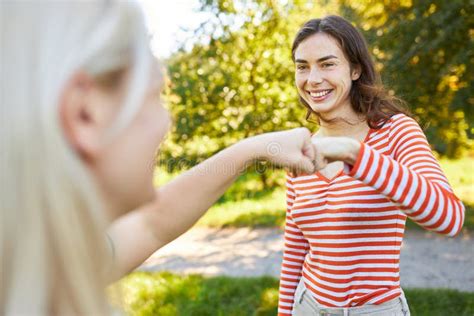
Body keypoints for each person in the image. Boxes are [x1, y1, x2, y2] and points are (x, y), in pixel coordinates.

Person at [0, 2, 318, 315]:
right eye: (155, 95)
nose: (166, 123)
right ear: (85, 114)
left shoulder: (48, 258)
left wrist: (254, 148)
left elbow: (153, 223)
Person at [277, 15, 465, 316]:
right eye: (303, 66)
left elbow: (449, 218)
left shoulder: (395, 132)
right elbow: (296, 250)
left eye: (327, 64)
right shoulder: (302, 149)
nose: (312, 79)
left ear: (355, 69)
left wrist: (354, 154)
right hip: (307, 306)